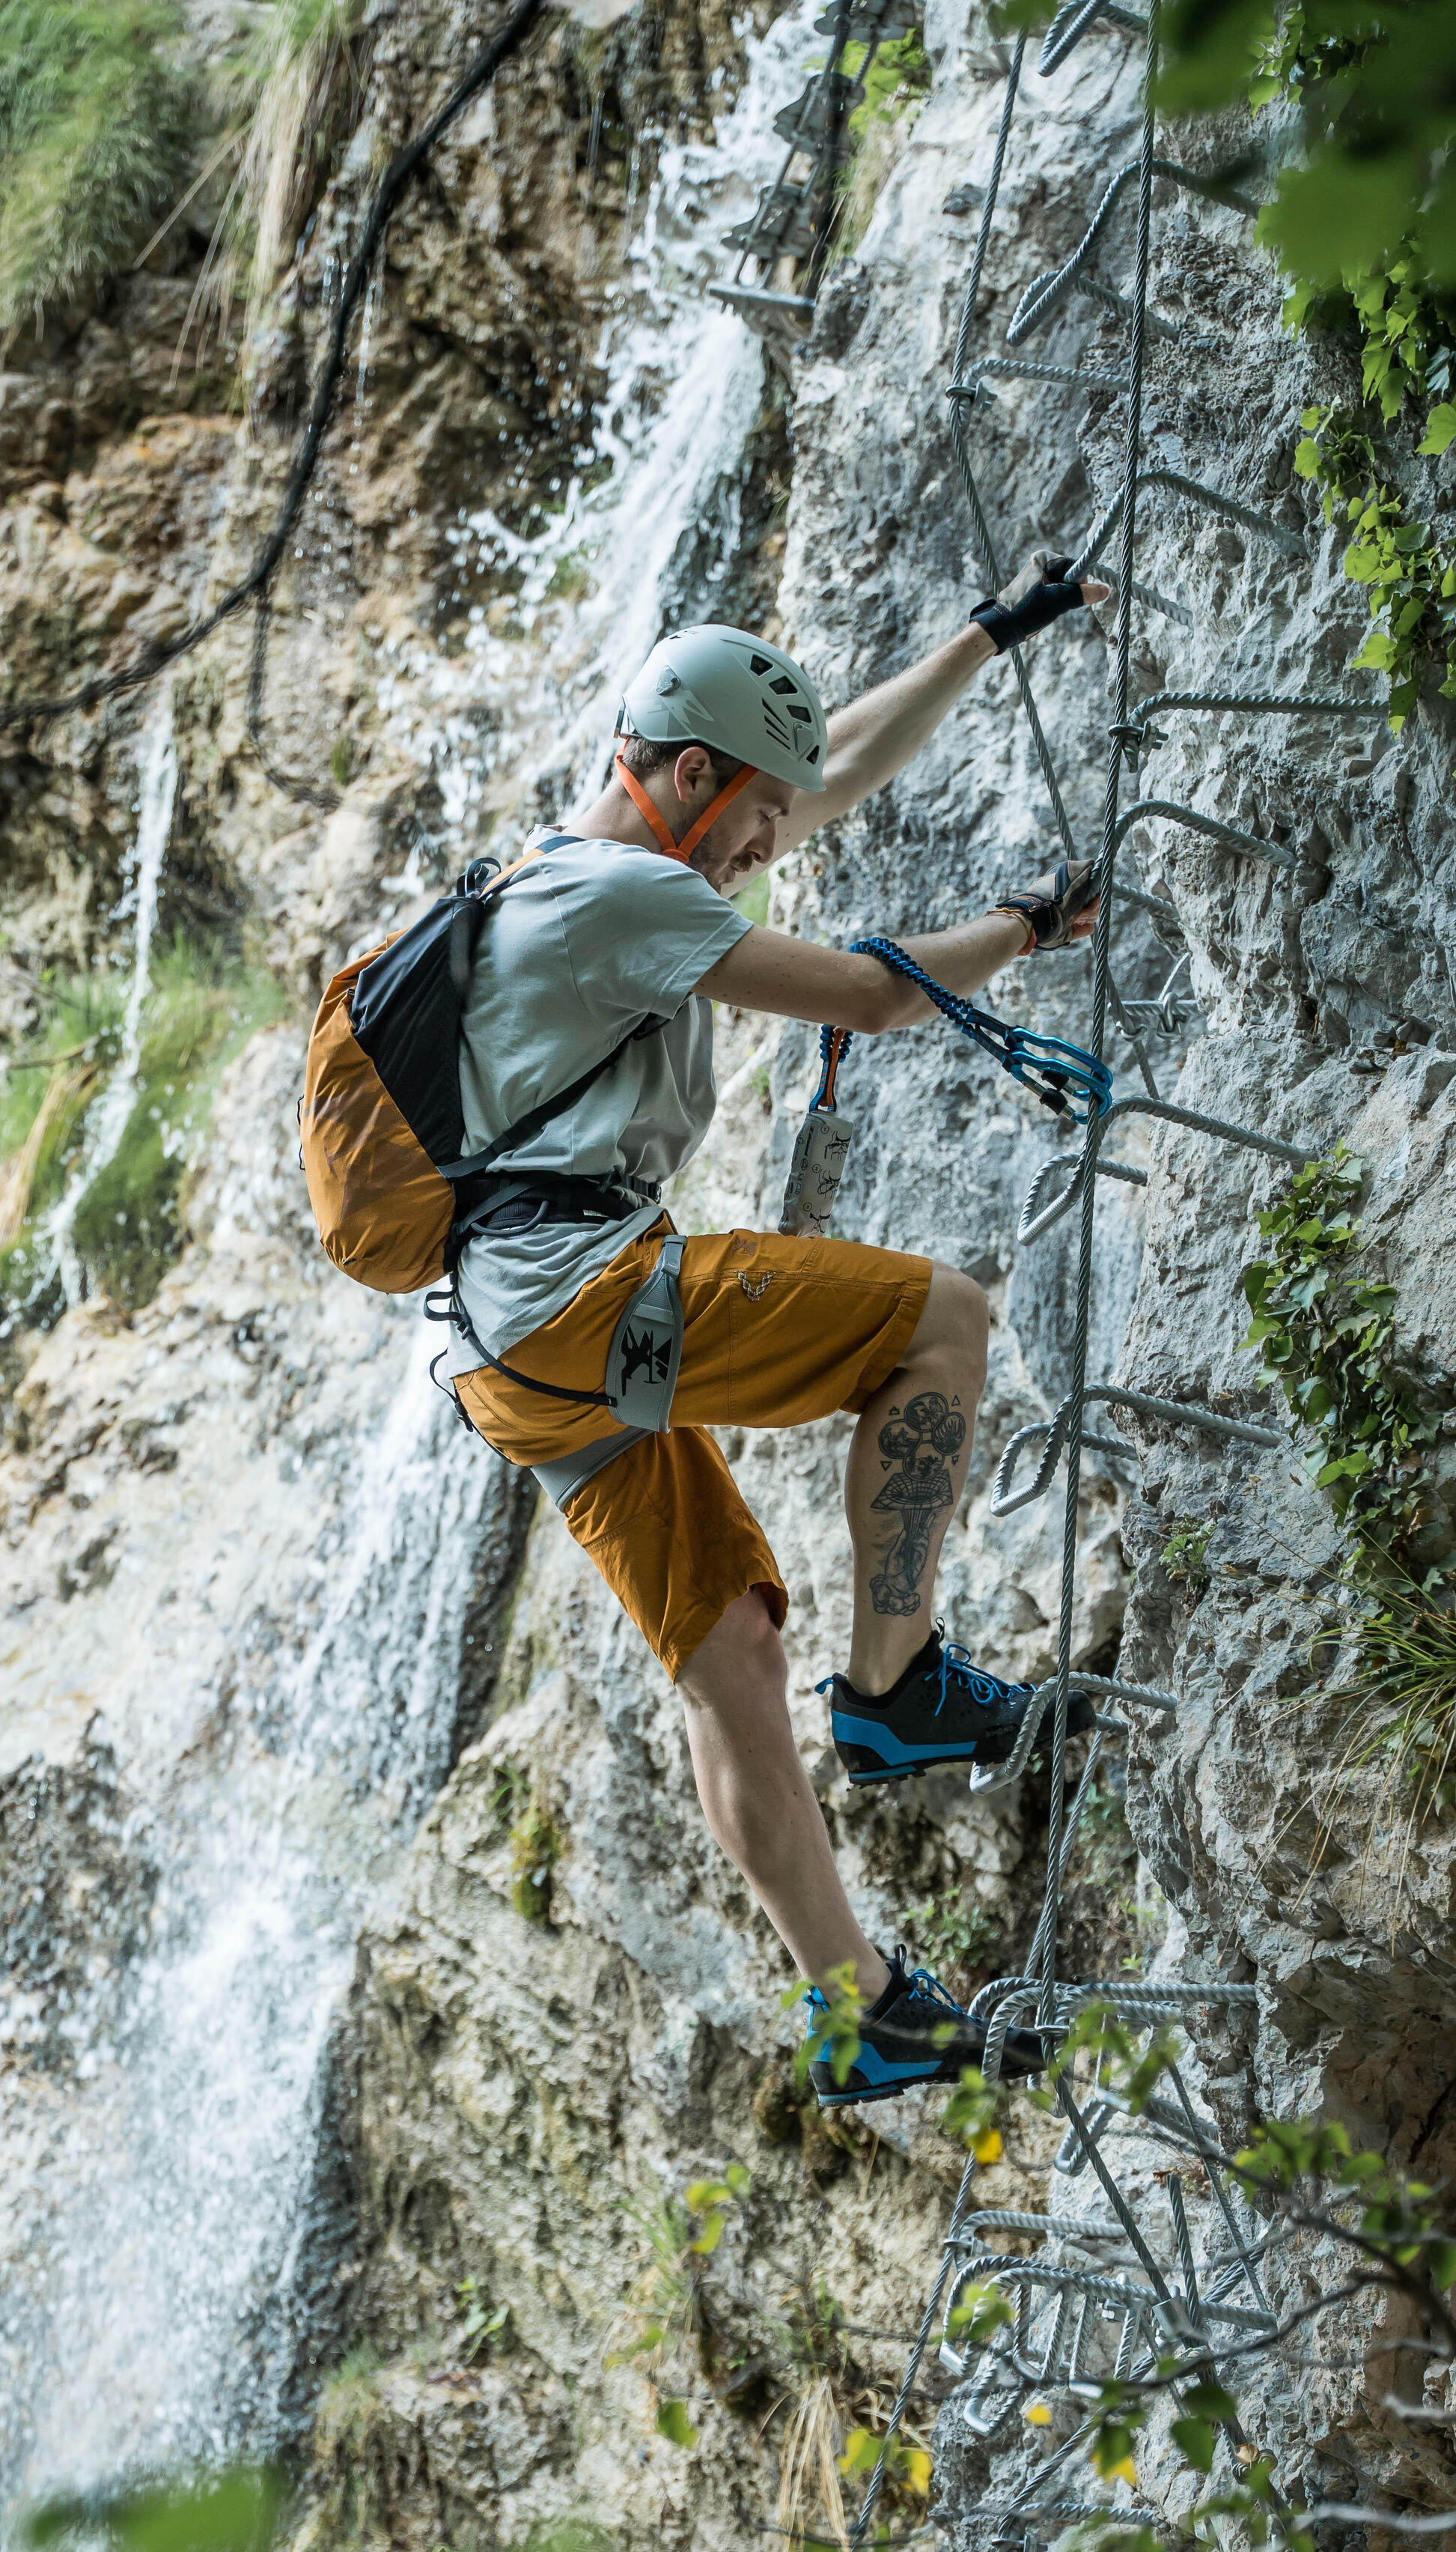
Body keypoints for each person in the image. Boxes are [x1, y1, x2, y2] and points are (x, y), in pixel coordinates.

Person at [445, 571, 1104, 2100]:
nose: (767, 847)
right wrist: (1028, 923)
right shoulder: (620, 897)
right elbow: (874, 999)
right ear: (687, 777)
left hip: (504, 1359)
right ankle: (897, 1696)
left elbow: (840, 761)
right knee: (941, 1323)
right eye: (750, 816)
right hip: (584, 1297)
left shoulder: (584, 867)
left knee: (730, 1661)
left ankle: (857, 2014)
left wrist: (988, 636)